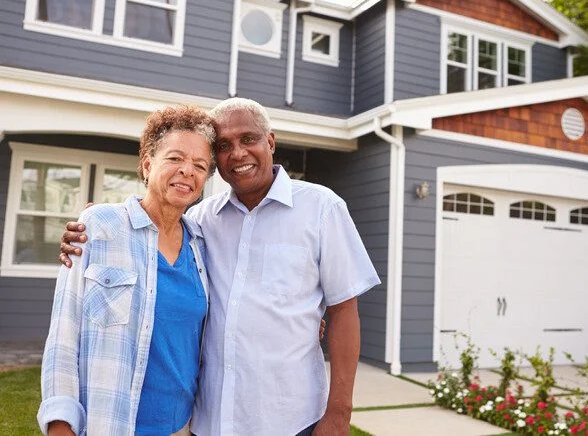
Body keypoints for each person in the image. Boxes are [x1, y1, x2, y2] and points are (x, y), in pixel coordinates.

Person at [61, 97, 381, 435]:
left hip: (290, 419)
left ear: (269, 141)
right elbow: (151, 224)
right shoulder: (200, 221)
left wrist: (339, 412)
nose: (237, 153)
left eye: (248, 139)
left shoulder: (322, 208)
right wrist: (96, 228)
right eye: (224, 146)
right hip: (208, 419)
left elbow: (345, 309)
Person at [41, 105, 216, 436]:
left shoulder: (203, 246)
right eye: (175, 158)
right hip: (110, 424)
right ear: (148, 165)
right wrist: (60, 425)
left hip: (182, 427)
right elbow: (63, 338)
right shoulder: (98, 227)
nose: (187, 171)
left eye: (200, 165)